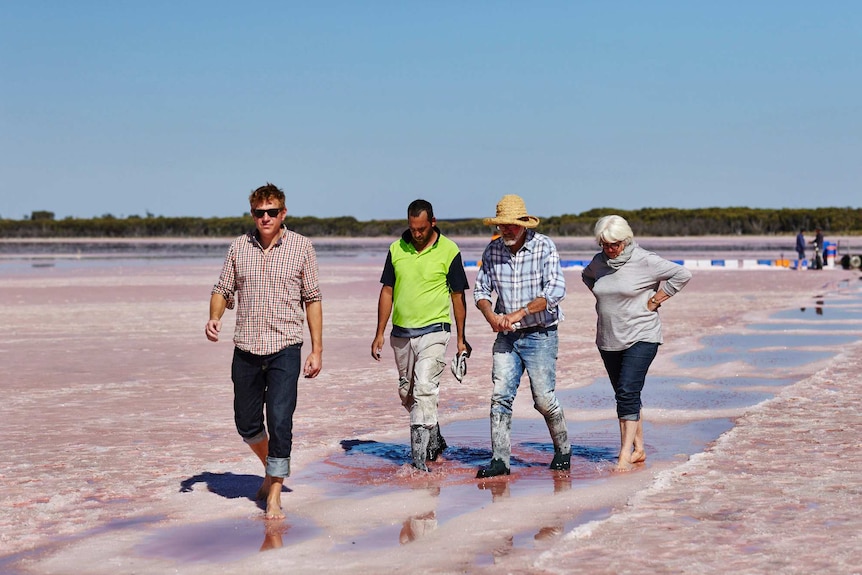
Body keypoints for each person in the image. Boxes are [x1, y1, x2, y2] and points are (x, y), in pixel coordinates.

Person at [205, 183, 323, 519]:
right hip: (246, 348)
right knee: (247, 424)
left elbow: (312, 299)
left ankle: (273, 494)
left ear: (283, 213)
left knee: (281, 420)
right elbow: (222, 289)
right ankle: (273, 469)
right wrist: (214, 316)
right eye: (260, 213)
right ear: (253, 214)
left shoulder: (302, 247)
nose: (266, 218)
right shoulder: (238, 248)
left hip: (285, 347)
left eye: (272, 212)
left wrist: (317, 350)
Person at [582, 215, 691, 472]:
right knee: (625, 394)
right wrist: (608, 301)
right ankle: (639, 449)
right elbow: (587, 278)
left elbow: (682, 274)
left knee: (627, 392)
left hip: (642, 335)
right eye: (604, 244)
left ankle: (624, 455)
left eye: (615, 244)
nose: (610, 249)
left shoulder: (645, 260)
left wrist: (657, 299)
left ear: (626, 239)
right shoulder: (599, 263)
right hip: (609, 337)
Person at [473, 194, 571, 478]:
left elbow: (556, 291)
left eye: (512, 225)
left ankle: (563, 449)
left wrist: (518, 314)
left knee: (543, 399)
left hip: (541, 334)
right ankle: (500, 460)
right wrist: (491, 316)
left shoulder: (544, 247)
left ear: (524, 224)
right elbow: (481, 292)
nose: (507, 230)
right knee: (500, 396)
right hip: (506, 337)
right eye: (502, 225)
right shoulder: (492, 251)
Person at [371, 199, 469, 471]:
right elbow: (387, 291)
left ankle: (419, 462)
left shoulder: (449, 250)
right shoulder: (396, 249)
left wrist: (461, 339)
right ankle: (435, 438)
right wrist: (379, 332)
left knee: (425, 388)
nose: (417, 234)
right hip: (401, 334)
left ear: (433, 223)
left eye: (422, 228)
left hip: (435, 331)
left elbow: (458, 296)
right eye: (413, 228)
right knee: (408, 394)